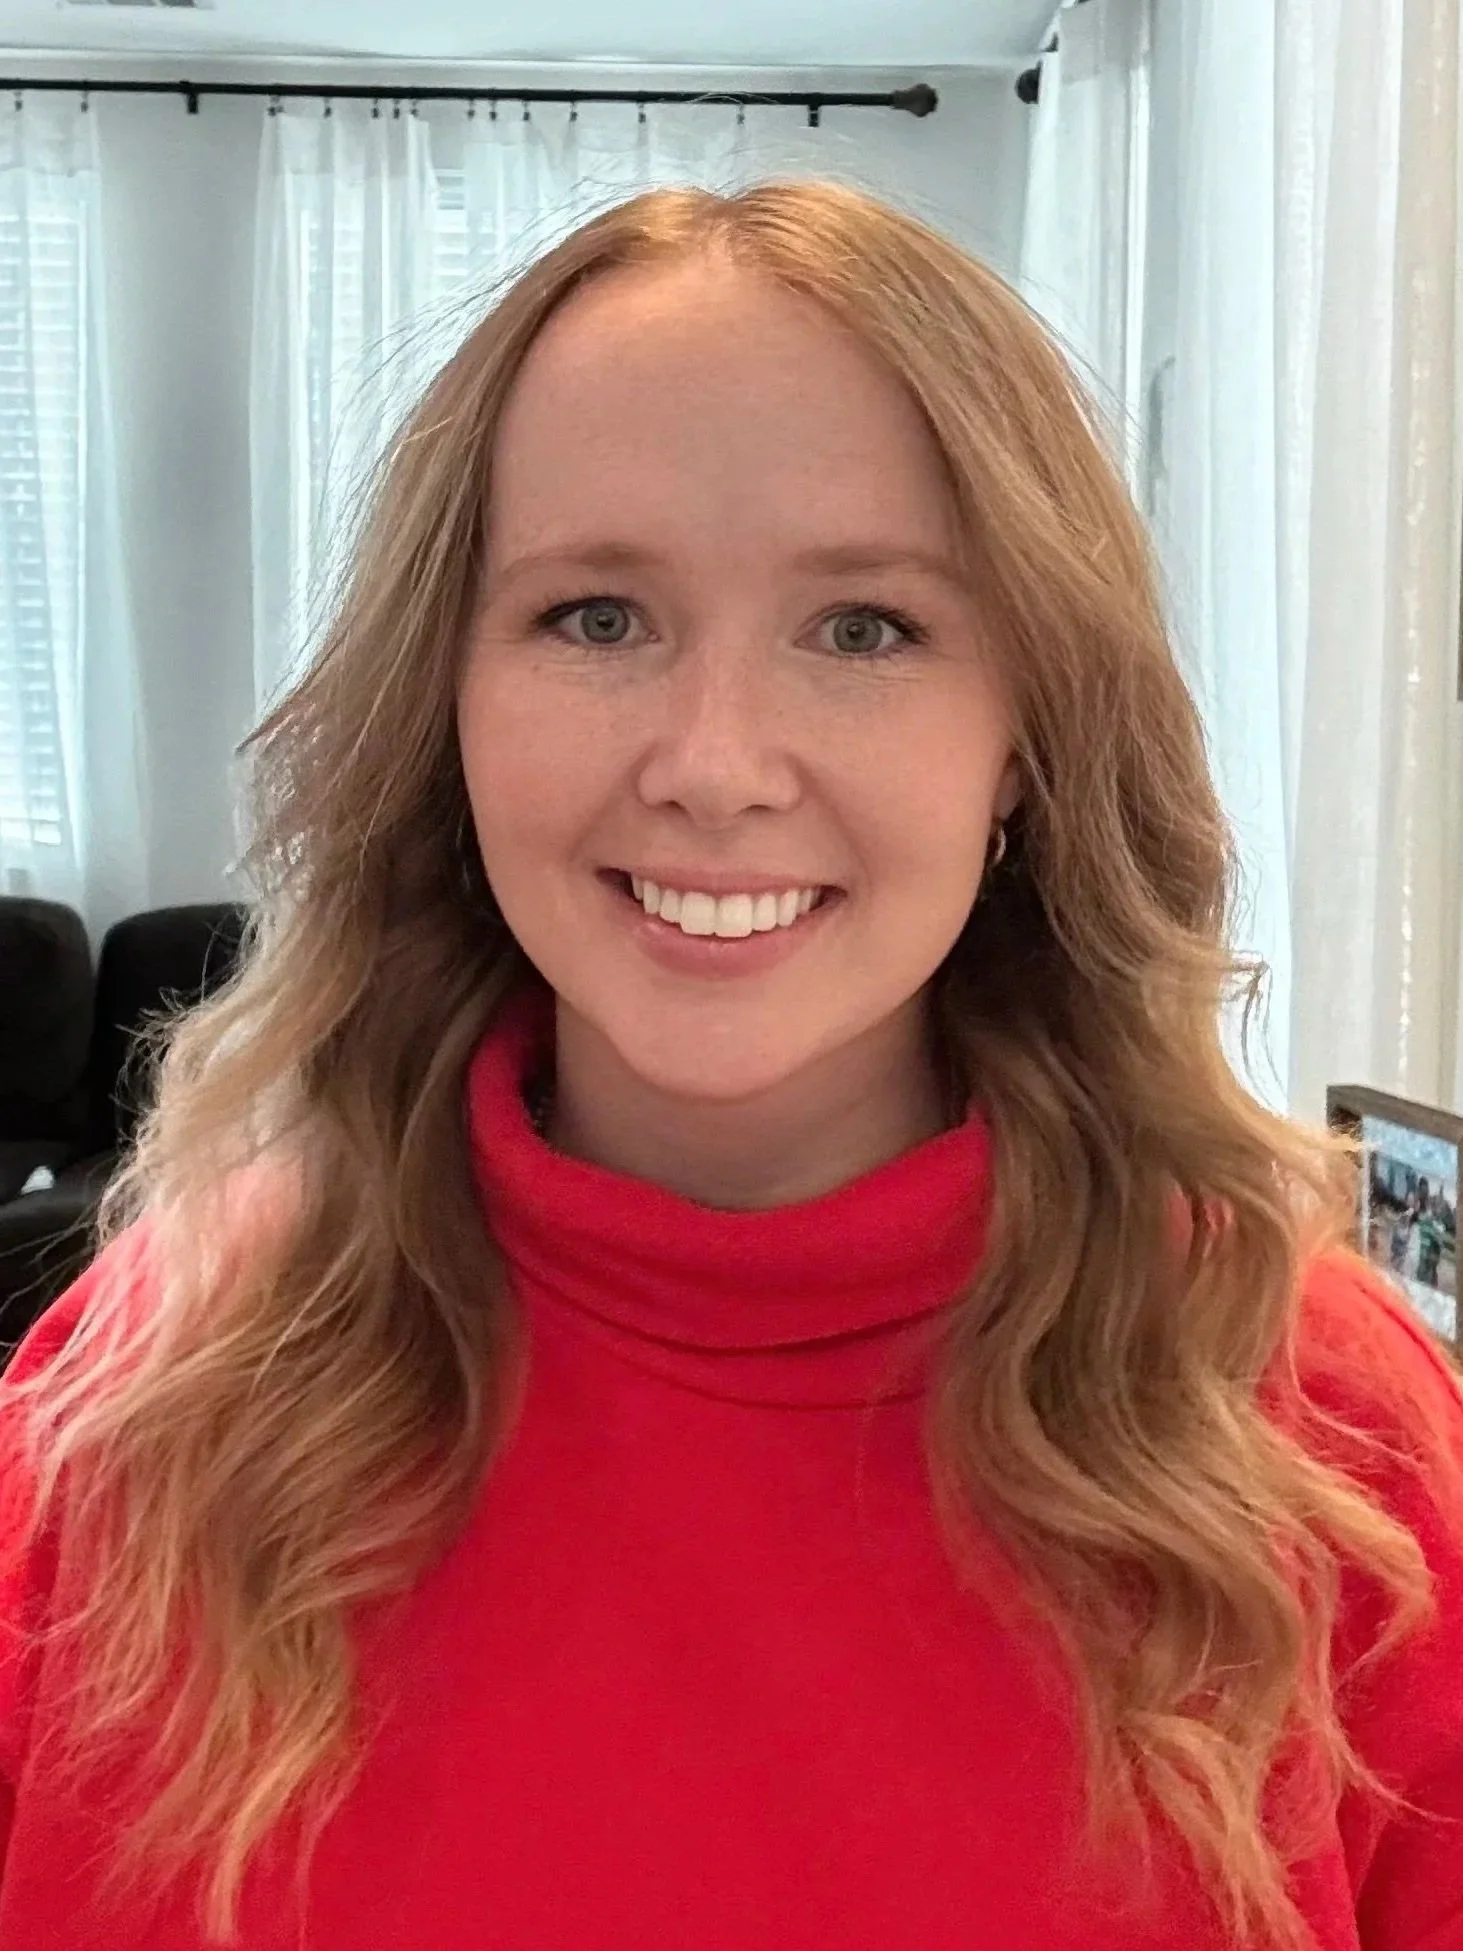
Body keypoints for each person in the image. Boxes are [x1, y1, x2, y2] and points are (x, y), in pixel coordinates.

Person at [0, 181, 1460, 1951]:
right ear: (446, 701)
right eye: (594, 616)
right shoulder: (148, 1404)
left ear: (1025, 735)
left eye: (863, 629)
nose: (712, 765)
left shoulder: (1330, 1432)